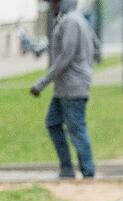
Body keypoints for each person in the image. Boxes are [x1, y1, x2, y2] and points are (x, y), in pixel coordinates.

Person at [30, 0, 100, 179]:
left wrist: (42, 83)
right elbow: (96, 45)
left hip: (72, 87)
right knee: (53, 123)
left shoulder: (70, 21)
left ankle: (88, 172)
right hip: (65, 88)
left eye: (55, 2)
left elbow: (65, 56)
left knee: (77, 129)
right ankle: (67, 169)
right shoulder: (79, 20)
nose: (52, 6)